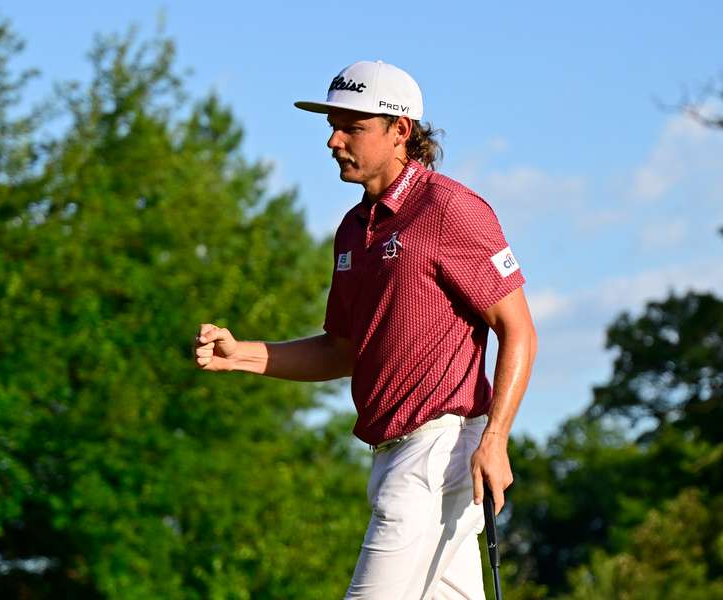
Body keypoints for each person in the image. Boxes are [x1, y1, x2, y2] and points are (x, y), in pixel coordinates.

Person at [195, 60, 537, 599]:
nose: (333, 140)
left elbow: (518, 330)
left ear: (400, 131)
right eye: (332, 124)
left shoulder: (450, 209)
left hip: (439, 448)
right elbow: (341, 351)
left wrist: (495, 440)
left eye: (352, 127)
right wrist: (242, 355)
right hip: (388, 453)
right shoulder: (354, 230)